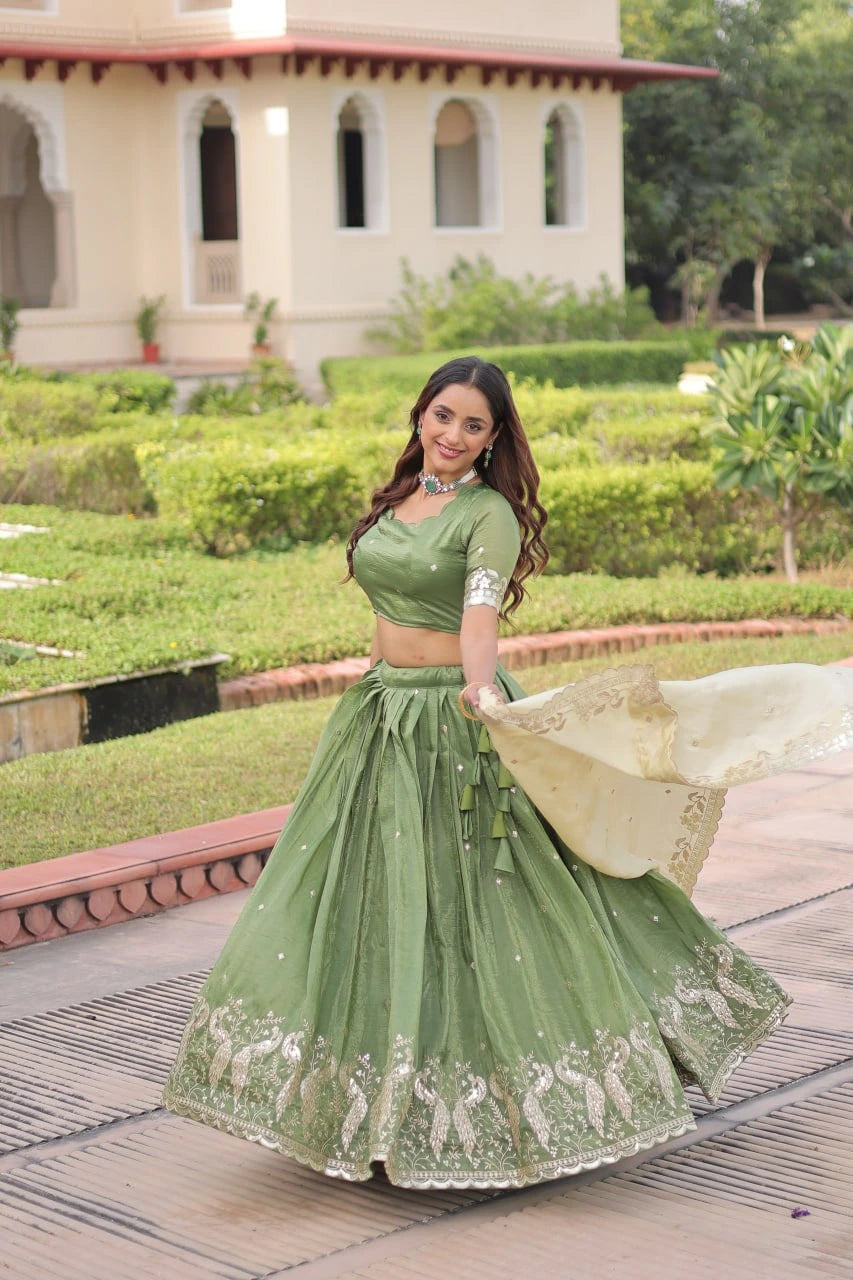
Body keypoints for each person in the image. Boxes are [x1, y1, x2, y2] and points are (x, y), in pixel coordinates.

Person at [163, 356, 794, 1189]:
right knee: (368, 903)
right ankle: (374, 1106)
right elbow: (391, 604)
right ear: (419, 413)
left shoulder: (489, 514)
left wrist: (478, 690)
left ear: (495, 439)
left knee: (495, 904)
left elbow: (477, 614)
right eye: (441, 415)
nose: (451, 435)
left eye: (472, 425)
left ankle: (519, 1096)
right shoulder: (399, 498)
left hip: (451, 719)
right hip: (378, 715)